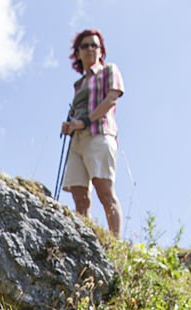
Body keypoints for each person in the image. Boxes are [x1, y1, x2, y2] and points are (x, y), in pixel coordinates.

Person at [60, 29, 124, 237]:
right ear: (78, 53)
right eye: (85, 46)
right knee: (80, 197)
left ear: (101, 51)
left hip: (99, 133)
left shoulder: (109, 71)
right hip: (77, 141)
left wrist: (85, 121)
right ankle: (85, 243)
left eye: (94, 45)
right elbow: (77, 111)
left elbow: (111, 99)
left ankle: (116, 243)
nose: (90, 49)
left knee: (104, 191)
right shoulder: (78, 85)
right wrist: (70, 124)